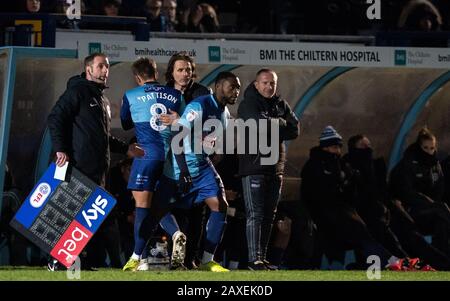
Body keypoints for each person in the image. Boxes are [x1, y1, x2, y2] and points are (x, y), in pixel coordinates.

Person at [47, 52, 142, 270]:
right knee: (71, 214)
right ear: (89, 69)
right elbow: (55, 118)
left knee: (88, 218)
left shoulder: (101, 98)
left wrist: (125, 148)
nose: (105, 71)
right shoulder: (77, 91)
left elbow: (102, 136)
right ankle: (56, 260)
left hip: (98, 169)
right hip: (78, 166)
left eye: (107, 67)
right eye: (100, 66)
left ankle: (83, 260)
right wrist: (61, 149)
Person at [152, 71, 241, 272]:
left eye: (238, 88)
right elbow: (178, 135)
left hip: (201, 166)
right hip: (178, 167)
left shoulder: (225, 113)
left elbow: (207, 139)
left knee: (220, 205)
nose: (236, 91)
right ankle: (176, 235)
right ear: (218, 87)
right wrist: (183, 170)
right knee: (158, 207)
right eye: (232, 87)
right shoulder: (198, 106)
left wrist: (214, 150)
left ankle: (207, 260)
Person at [301, 126, 424, 271]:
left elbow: (354, 193)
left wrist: (349, 182)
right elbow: (319, 195)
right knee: (361, 229)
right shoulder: (315, 166)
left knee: (371, 225)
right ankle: (393, 262)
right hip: (326, 215)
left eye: (339, 147)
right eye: (335, 147)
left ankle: (395, 261)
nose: (338, 151)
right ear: (326, 147)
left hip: (345, 213)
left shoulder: (341, 165)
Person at [119, 57, 186, 271]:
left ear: (138, 78)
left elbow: (125, 122)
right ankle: (175, 233)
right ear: (156, 74)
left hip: (147, 156)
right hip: (171, 159)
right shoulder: (177, 95)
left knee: (142, 207)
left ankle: (141, 258)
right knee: (158, 207)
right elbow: (185, 124)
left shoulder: (130, 95)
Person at [344, 134, 444, 270]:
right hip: (372, 216)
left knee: (411, 234)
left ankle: (439, 264)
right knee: (393, 240)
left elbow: (385, 192)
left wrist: (394, 205)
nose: (368, 148)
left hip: (388, 210)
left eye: (369, 145)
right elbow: (359, 195)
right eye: (363, 146)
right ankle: (411, 266)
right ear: (353, 149)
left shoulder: (377, 166)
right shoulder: (349, 168)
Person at [237, 68, 299, 270]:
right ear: (256, 84)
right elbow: (257, 124)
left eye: (272, 83)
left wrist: (274, 124)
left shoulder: (281, 103)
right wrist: (280, 123)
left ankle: (261, 259)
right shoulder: (248, 104)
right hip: (254, 166)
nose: (269, 86)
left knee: (269, 215)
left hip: (275, 168)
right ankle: (253, 259)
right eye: (264, 83)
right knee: (255, 214)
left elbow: (295, 129)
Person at [160, 51, 212, 269]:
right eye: (180, 69)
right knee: (168, 208)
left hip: (196, 160)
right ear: (171, 72)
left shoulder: (202, 93)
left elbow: (209, 127)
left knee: (196, 211)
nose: (185, 74)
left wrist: (180, 121)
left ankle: (191, 259)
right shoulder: (163, 94)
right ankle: (173, 258)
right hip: (169, 160)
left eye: (188, 69)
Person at [389, 127, 450, 256]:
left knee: (442, 221)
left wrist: (434, 204)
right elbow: (407, 193)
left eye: (432, 148)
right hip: (410, 211)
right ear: (419, 147)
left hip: (431, 210)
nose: (429, 152)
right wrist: (431, 204)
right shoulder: (408, 164)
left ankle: (442, 256)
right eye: (425, 148)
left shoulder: (435, 165)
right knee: (442, 211)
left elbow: (440, 188)